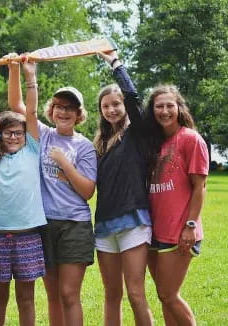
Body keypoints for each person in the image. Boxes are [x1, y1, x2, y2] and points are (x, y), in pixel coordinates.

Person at [8, 55, 97, 326]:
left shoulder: (84, 147)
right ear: (52, 110)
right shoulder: (44, 135)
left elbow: (87, 192)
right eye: (59, 106)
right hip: (45, 223)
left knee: (69, 294)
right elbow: (18, 106)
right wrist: (19, 71)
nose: (64, 112)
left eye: (70, 108)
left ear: (79, 114)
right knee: (53, 294)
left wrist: (65, 165)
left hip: (74, 225)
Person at [0, 58, 46, 326]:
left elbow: (30, 113)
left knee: (26, 298)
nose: (13, 137)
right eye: (8, 133)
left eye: (18, 133)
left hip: (28, 235)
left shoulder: (32, 150)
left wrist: (30, 77)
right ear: (0, 135)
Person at [93, 51, 154, 326]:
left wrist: (115, 64)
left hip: (133, 221)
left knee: (136, 293)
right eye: (106, 106)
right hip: (104, 225)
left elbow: (133, 98)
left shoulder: (135, 134)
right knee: (111, 294)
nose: (112, 110)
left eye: (116, 104)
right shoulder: (99, 144)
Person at [145, 85, 208, 326]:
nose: (164, 111)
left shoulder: (190, 139)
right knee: (164, 296)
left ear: (179, 107)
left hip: (180, 232)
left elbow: (199, 187)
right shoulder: (154, 143)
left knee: (169, 295)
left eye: (169, 105)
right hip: (154, 231)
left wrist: (190, 226)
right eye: (158, 106)